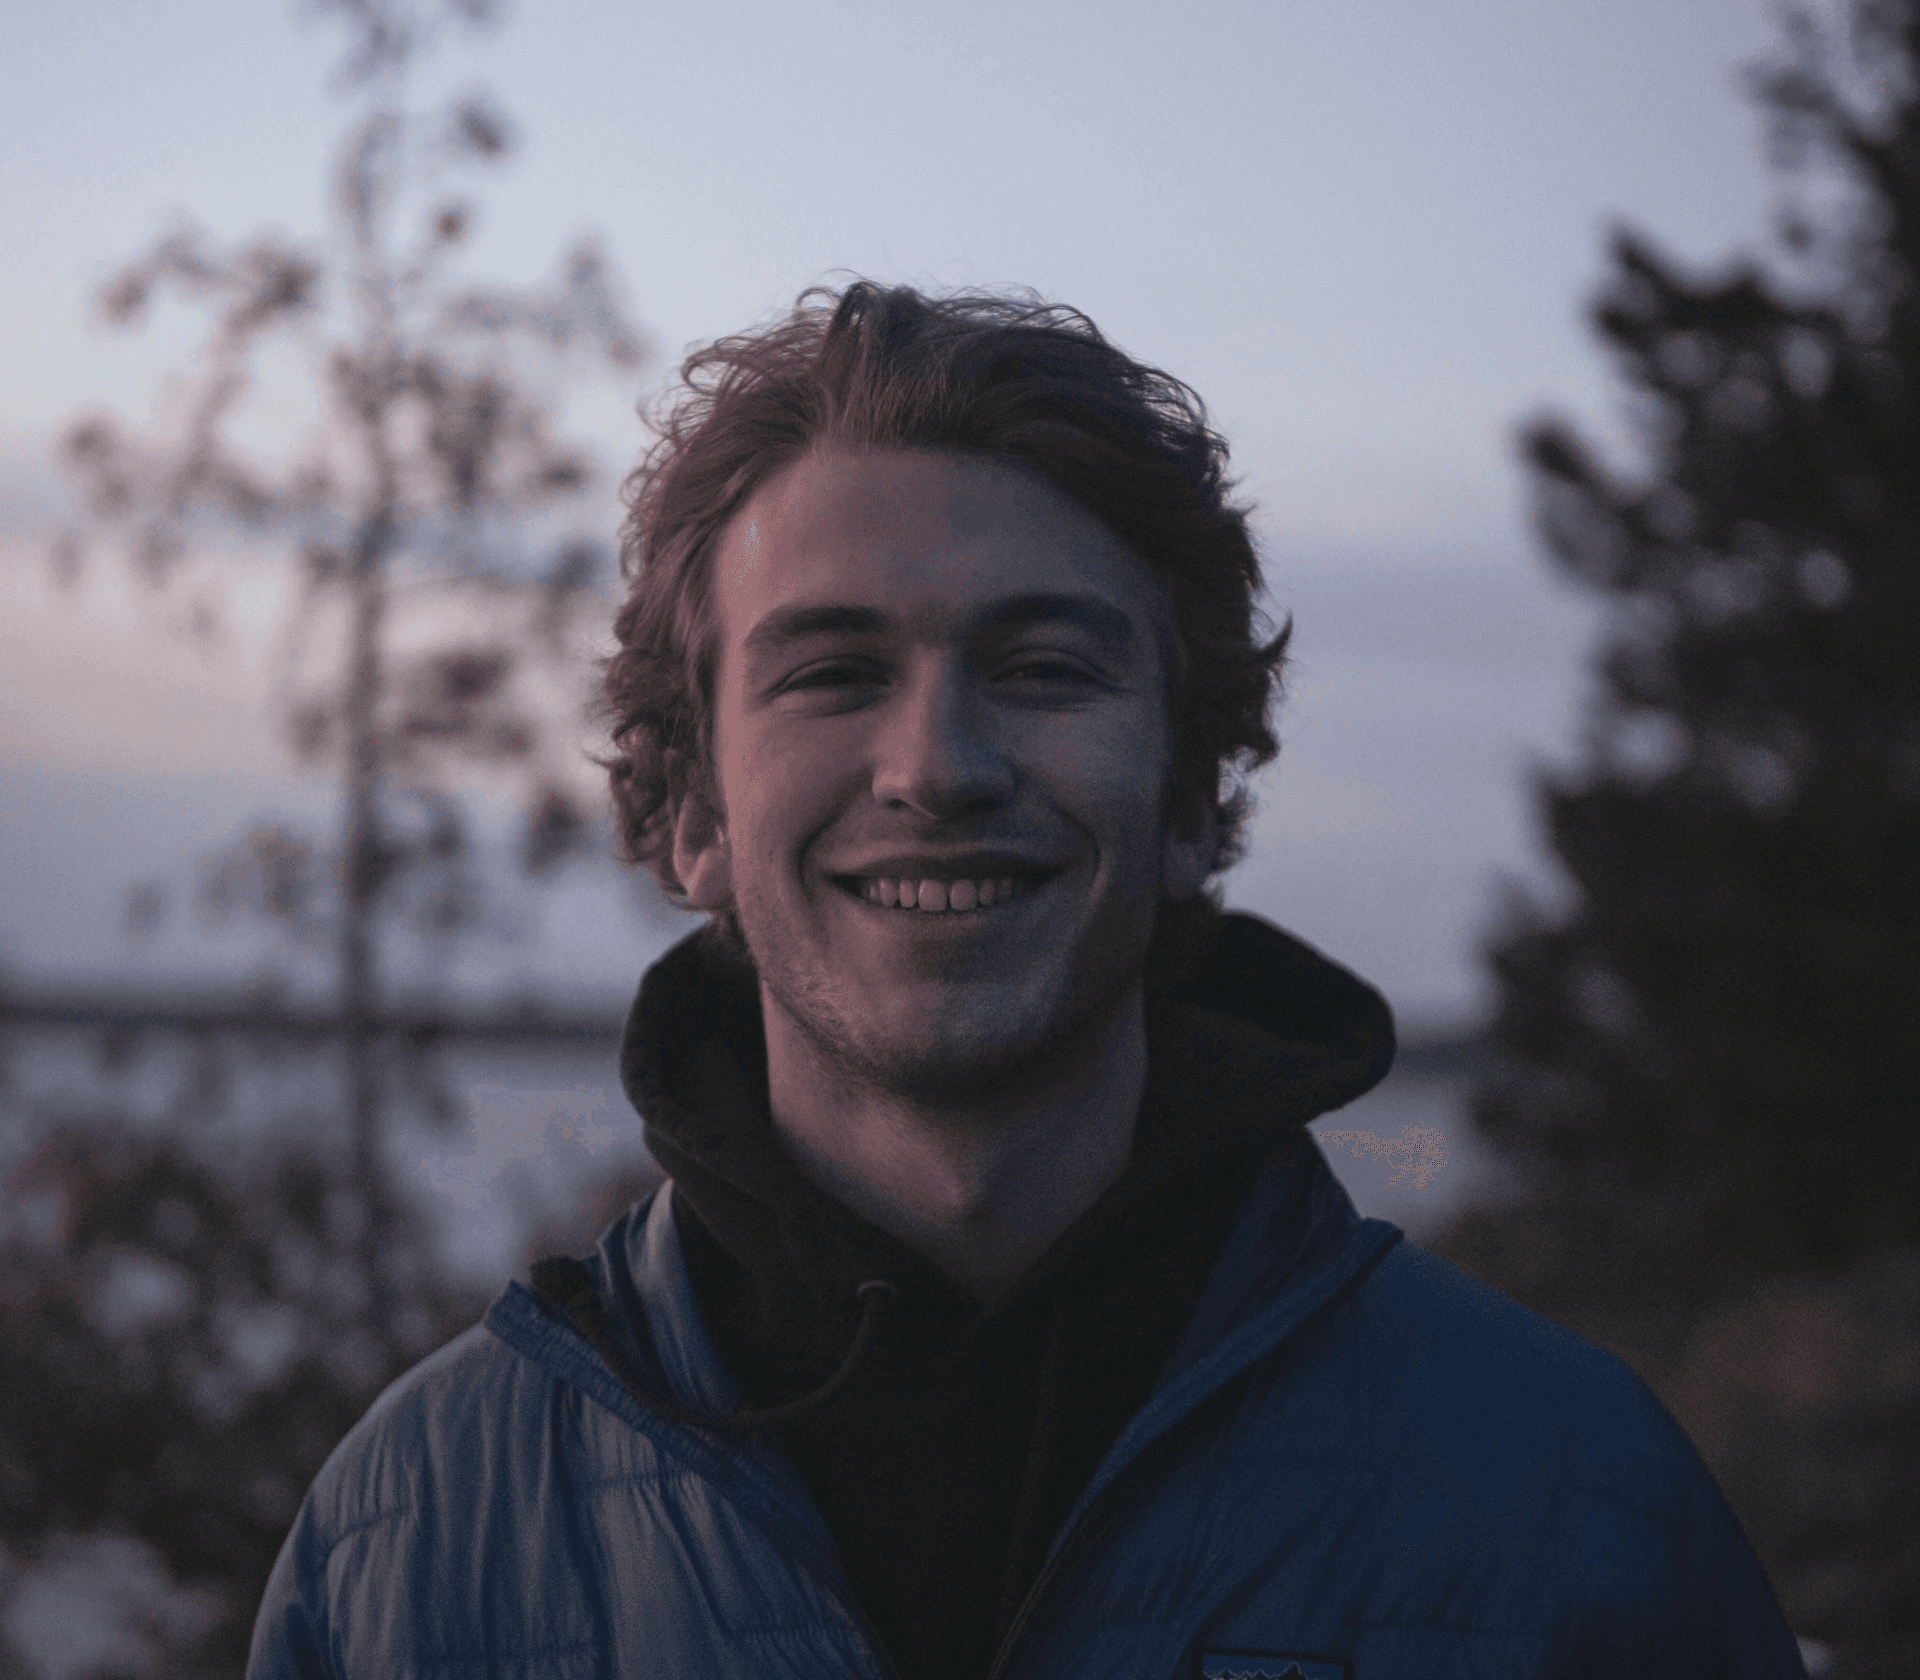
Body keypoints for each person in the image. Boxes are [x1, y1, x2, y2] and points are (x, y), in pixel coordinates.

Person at [248, 282, 1808, 1680]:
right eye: (836, 673)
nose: (940, 768)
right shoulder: (405, 1544)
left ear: (1192, 797)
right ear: (693, 815)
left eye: (1045, 667)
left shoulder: (1575, 1499)